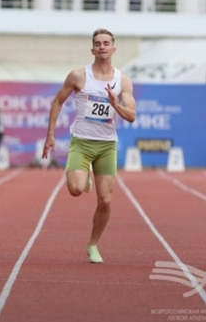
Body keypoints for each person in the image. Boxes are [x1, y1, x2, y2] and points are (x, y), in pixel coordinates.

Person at [42, 28, 137, 264]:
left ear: (113, 49)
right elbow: (57, 102)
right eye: (98, 43)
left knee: (105, 200)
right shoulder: (78, 76)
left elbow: (132, 115)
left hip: (106, 146)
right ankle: (84, 175)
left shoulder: (122, 81)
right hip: (82, 142)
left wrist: (115, 105)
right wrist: (50, 134)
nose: (102, 46)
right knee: (75, 189)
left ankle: (93, 244)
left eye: (106, 43)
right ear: (92, 49)